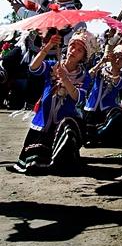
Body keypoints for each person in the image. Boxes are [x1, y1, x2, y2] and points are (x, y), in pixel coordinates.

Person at [8, 29, 98, 174]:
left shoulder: (84, 76)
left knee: (68, 128)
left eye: (80, 50)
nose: (74, 50)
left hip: (63, 122)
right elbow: (33, 67)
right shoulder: (53, 65)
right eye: (73, 46)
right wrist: (48, 46)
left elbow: (77, 97)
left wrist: (65, 79)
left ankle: (61, 159)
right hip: (43, 120)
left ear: (83, 57)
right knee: (34, 162)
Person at [83, 43, 122, 146]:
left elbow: (117, 83)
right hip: (91, 106)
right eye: (117, 57)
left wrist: (113, 64)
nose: (118, 60)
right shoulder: (102, 68)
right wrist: (102, 61)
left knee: (121, 117)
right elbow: (87, 77)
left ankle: (99, 136)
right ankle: (94, 136)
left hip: (108, 108)